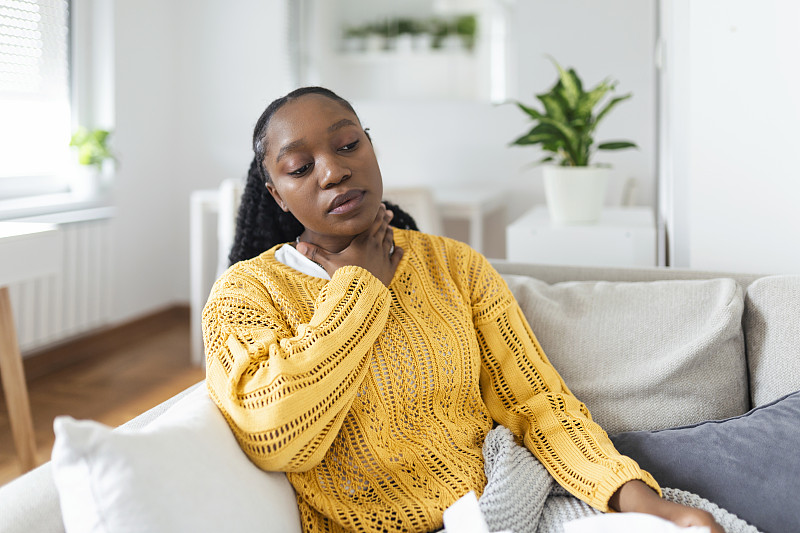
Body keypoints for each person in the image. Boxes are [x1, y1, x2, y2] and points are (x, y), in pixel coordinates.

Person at [203, 87, 723, 533]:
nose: (334, 171)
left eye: (347, 144)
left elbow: (538, 404)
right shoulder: (245, 292)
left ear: (371, 146)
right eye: (300, 167)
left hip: (503, 504)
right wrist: (361, 289)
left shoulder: (453, 265)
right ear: (276, 194)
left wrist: (645, 503)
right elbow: (272, 434)